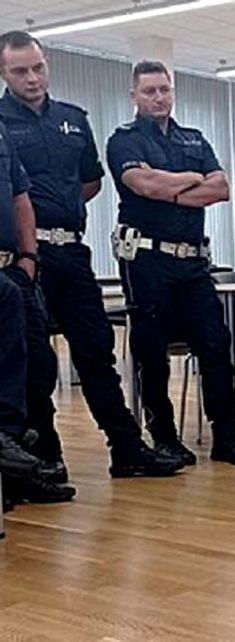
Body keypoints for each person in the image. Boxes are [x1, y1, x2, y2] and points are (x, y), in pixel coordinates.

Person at [0, 31, 182, 479]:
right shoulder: (0, 122)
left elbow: (90, 182)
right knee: (37, 363)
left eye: (37, 67)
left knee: (97, 354)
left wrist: (60, 209)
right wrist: (28, 247)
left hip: (72, 252)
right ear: (4, 74)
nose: (31, 78)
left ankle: (127, 447)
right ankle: (45, 455)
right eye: (19, 70)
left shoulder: (73, 119)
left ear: (47, 65)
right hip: (28, 255)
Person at [106, 60, 235, 467]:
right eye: (150, 91)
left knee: (215, 344)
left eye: (164, 90)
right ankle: (165, 436)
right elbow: (142, 184)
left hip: (193, 264)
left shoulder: (193, 138)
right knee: (152, 350)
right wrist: (191, 180)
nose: (158, 97)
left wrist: (169, 186)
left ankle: (226, 435)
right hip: (147, 260)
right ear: (134, 96)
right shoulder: (124, 140)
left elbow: (221, 188)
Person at [0, 118, 75, 504]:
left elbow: (20, 197)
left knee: (38, 366)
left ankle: (27, 463)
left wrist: (29, 257)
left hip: (14, 267)